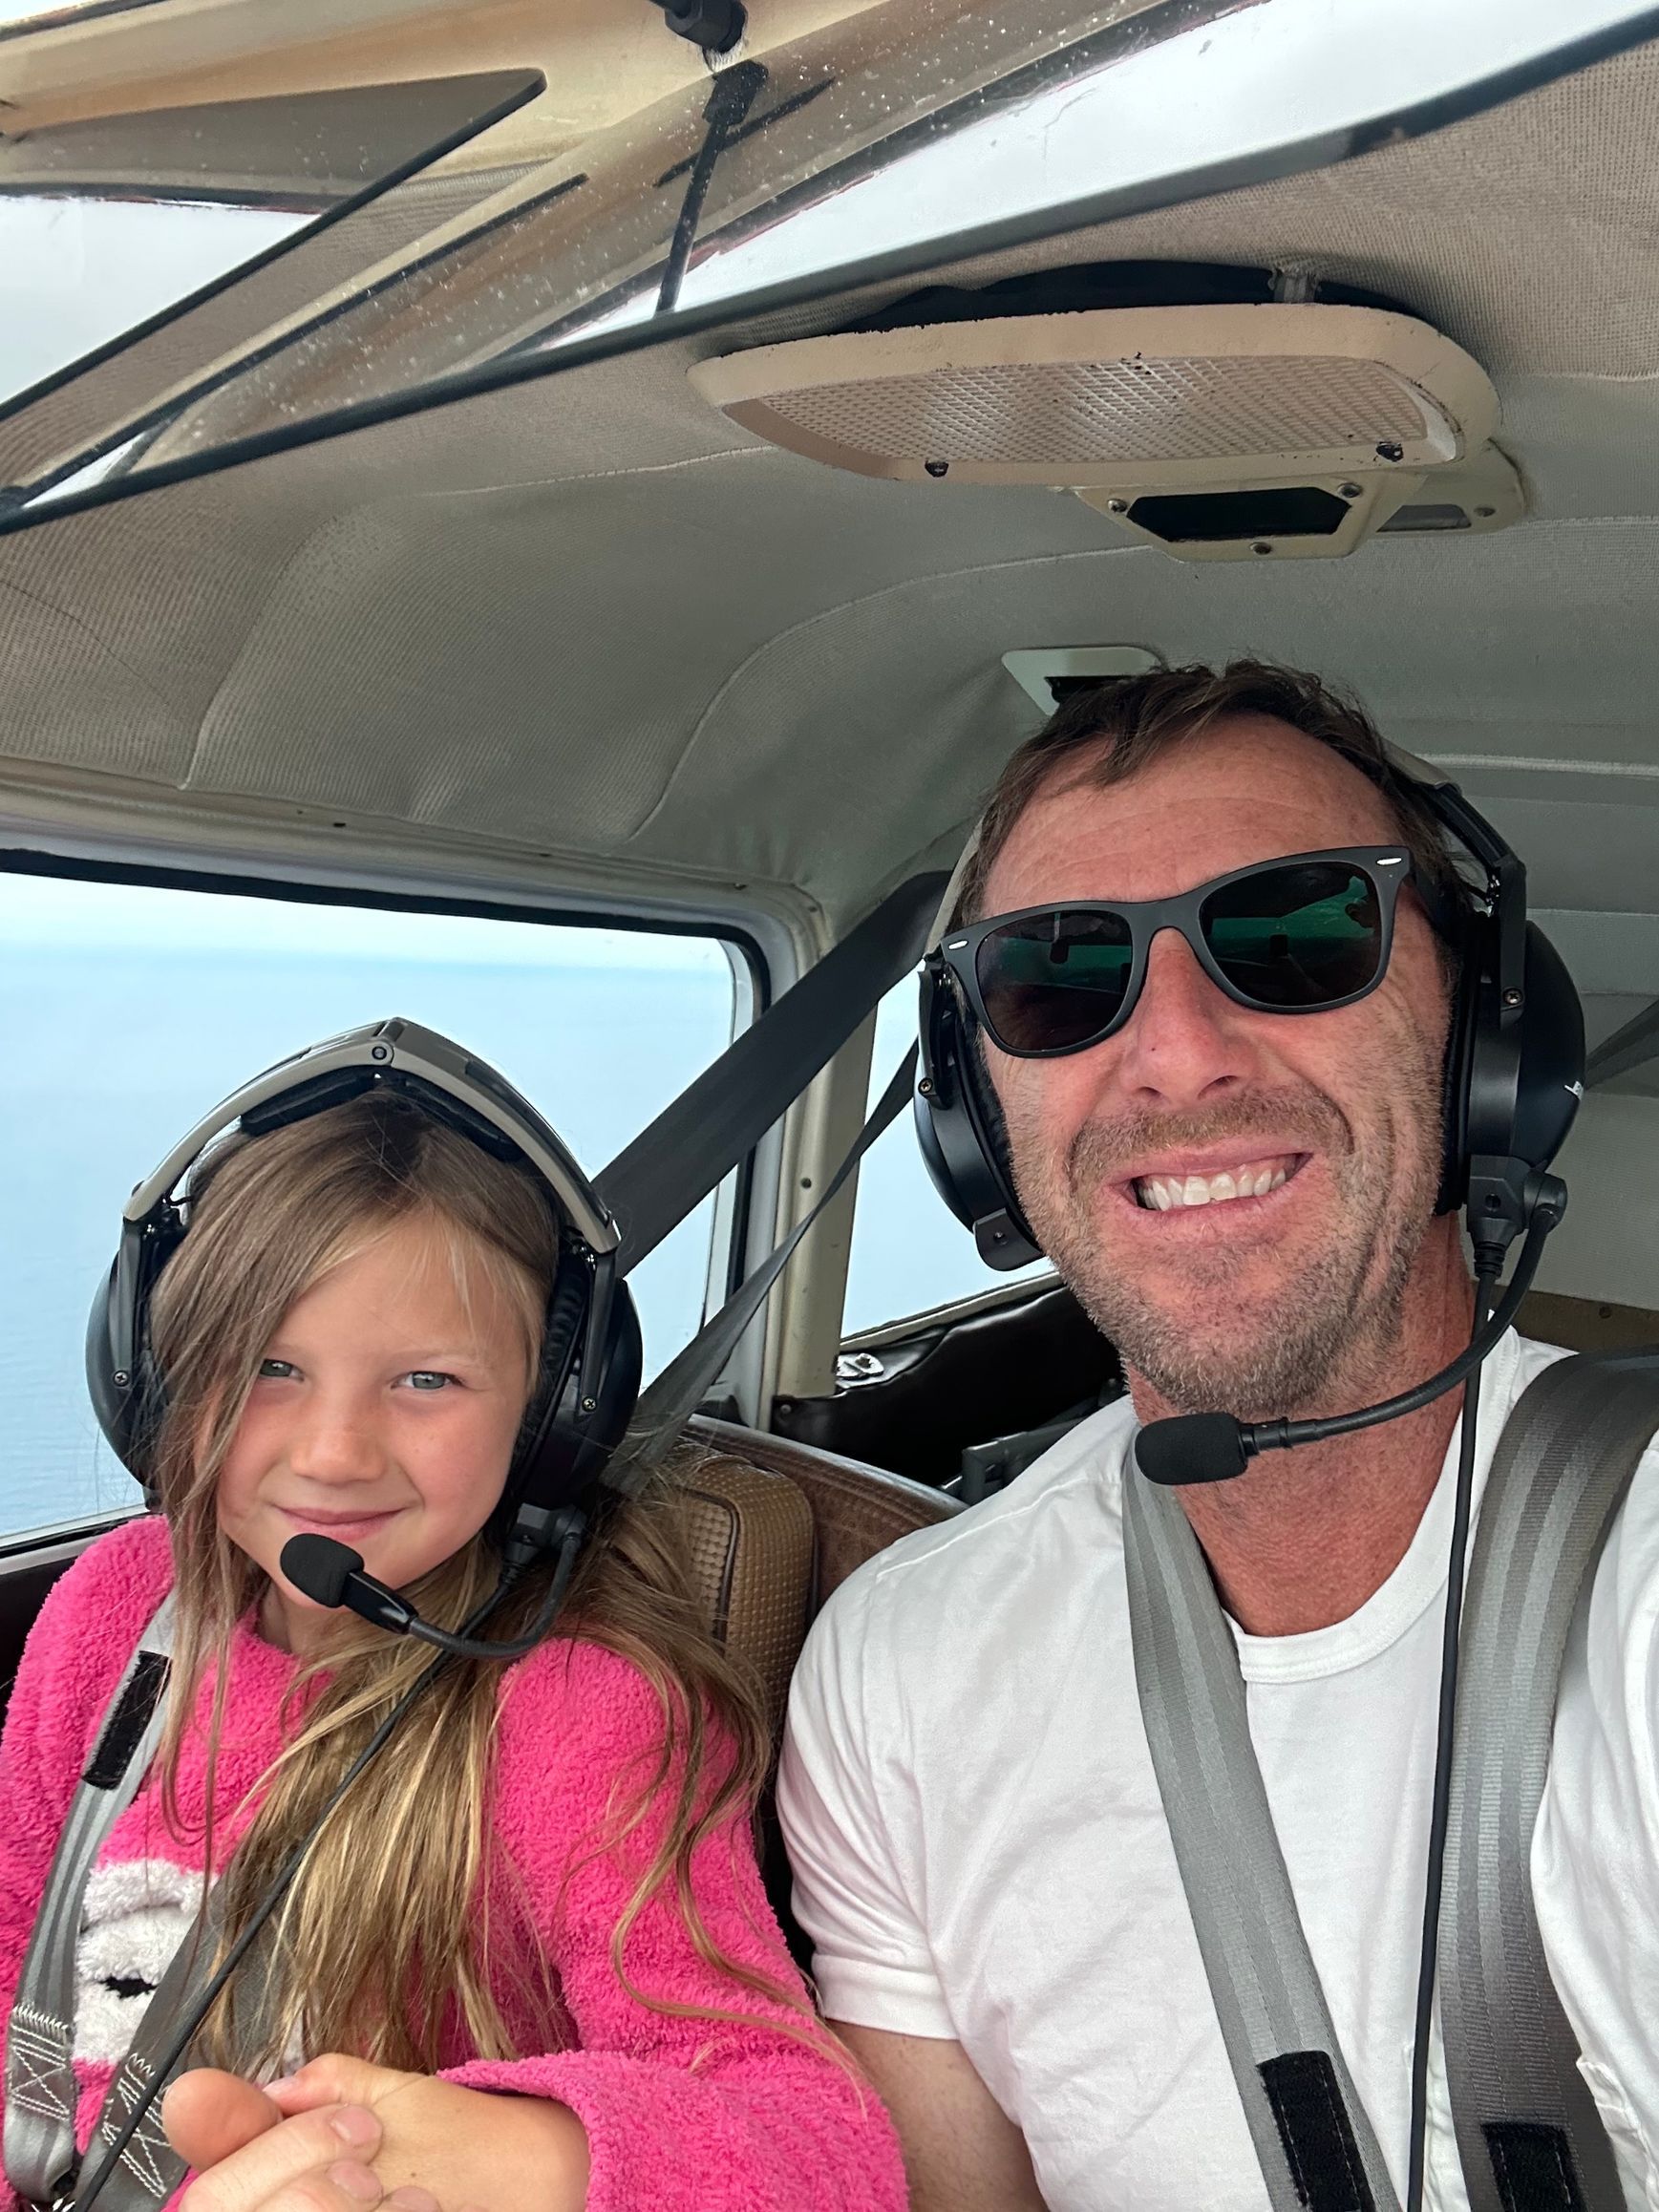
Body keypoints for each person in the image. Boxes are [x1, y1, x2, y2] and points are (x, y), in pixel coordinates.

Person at [777, 661, 1659, 2211]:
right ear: (974, 1115)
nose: (1177, 1052)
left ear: (1483, 1039)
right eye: (1056, 978)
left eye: (1297, 936)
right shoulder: (898, 1676)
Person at [0, 1060, 904, 2212]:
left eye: (426, 1380)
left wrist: (536, 2158)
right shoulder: (117, 1608)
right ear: (157, 1381)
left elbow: (824, 2148)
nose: (332, 1451)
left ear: (550, 1419)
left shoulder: (581, 1712)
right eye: (269, 1367)